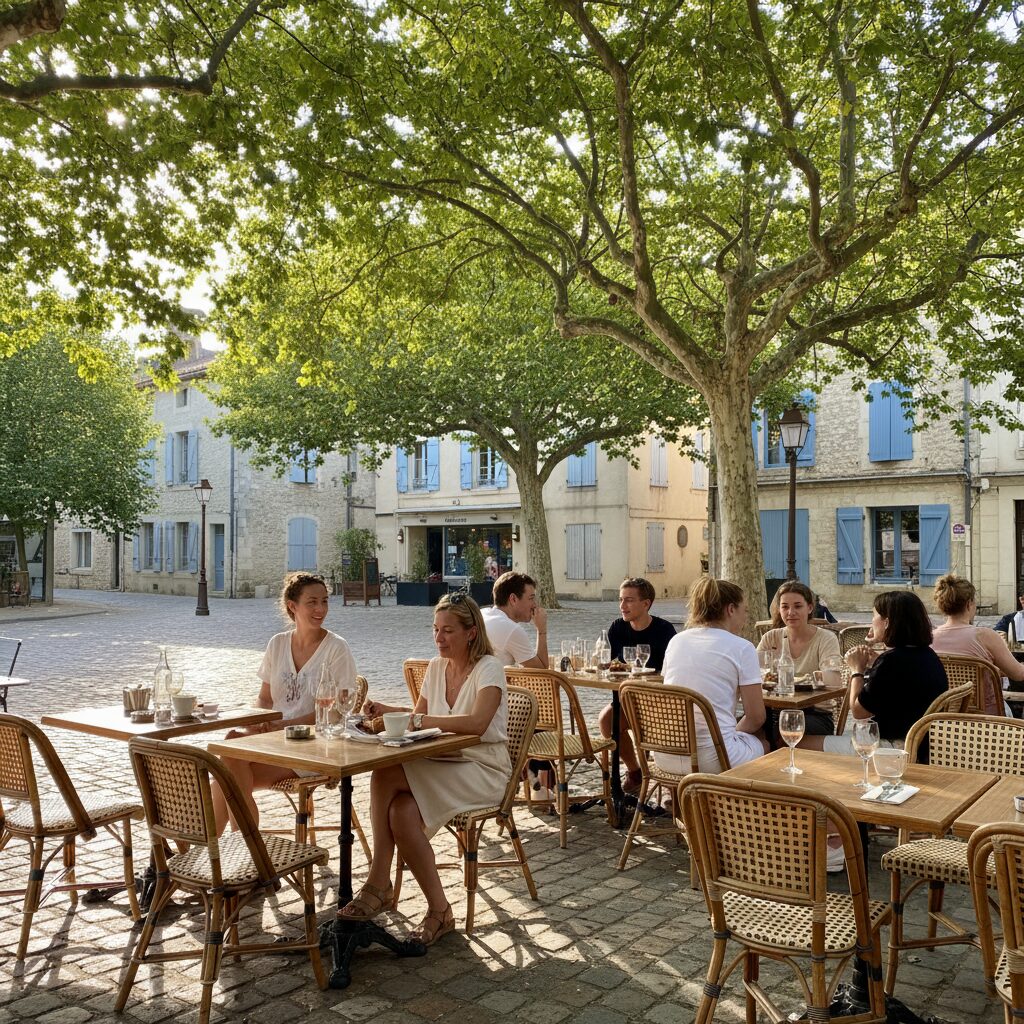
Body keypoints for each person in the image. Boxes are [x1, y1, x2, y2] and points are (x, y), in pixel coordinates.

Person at [341, 593, 510, 945]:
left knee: (386, 772)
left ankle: (379, 881)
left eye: (448, 630)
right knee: (401, 812)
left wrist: (417, 720)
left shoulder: (489, 668)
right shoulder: (436, 667)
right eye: (435, 629)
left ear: (471, 633)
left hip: (483, 768)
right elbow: (419, 717)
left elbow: (477, 724)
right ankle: (440, 910)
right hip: (442, 761)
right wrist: (388, 711)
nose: (439, 638)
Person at [211, 571, 357, 834]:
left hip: (315, 748)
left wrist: (285, 726)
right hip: (276, 744)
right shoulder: (277, 644)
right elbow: (265, 698)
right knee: (230, 755)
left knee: (227, 773)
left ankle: (223, 849)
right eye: (312, 602)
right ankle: (239, 847)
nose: (321, 609)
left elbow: (337, 712)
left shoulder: (337, 648)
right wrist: (259, 722)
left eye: (324, 601)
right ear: (293, 606)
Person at [801, 590, 948, 754]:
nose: (872, 621)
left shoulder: (891, 661)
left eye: (874, 615)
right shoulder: (927, 655)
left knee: (797, 742)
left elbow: (859, 712)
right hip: (922, 745)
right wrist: (877, 662)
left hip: (890, 747)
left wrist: (857, 670)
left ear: (887, 622)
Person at [656, 576, 768, 776]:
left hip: (665, 753)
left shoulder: (676, 641)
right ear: (731, 609)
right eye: (745, 610)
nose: (745, 618)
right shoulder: (742, 648)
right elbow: (756, 717)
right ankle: (732, 797)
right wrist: (732, 732)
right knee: (767, 744)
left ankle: (680, 794)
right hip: (711, 758)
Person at [597, 578, 679, 792]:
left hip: (659, 703)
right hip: (627, 699)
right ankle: (635, 772)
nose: (622, 606)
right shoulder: (617, 627)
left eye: (629, 600)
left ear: (646, 603)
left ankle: (672, 786)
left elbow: (674, 671)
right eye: (621, 600)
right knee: (607, 720)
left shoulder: (664, 630)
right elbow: (610, 664)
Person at [757, 580, 841, 736]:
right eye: (785, 607)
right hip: (774, 709)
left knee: (779, 730)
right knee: (750, 726)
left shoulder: (826, 639)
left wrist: (796, 681)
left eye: (797, 606)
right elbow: (755, 674)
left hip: (815, 713)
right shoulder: (771, 638)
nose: (791, 612)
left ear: (810, 608)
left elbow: (834, 681)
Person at [931, 574, 1024, 714]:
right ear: (969, 604)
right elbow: (1018, 674)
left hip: (947, 716)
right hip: (986, 719)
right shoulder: (985, 636)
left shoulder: (930, 638)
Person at [481, 571, 548, 668]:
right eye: (531, 598)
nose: (535, 604)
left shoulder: (482, 613)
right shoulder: (511, 629)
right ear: (513, 599)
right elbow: (542, 671)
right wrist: (541, 630)